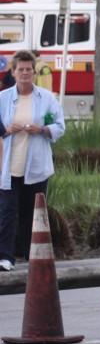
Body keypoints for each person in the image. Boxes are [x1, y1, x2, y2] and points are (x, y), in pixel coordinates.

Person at [0, 50, 65, 271]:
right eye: (21, 69)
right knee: (7, 211)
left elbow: (59, 126)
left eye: (29, 69)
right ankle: (5, 257)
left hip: (36, 166)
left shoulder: (46, 98)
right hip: (8, 166)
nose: (25, 73)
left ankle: (29, 254)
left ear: (34, 72)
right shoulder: (3, 98)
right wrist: (7, 129)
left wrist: (43, 129)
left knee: (31, 212)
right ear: (13, 72)